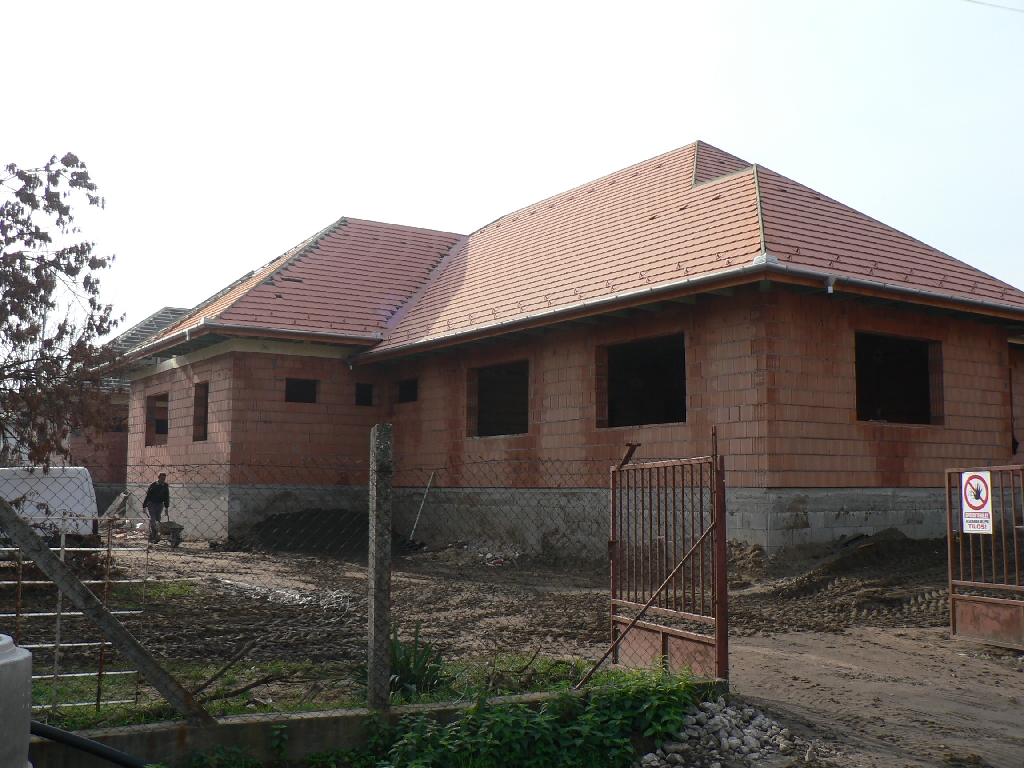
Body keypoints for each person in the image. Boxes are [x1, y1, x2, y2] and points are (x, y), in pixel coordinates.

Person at [143, 473, 170, 543]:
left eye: (164, 479)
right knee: (153, 519)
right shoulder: (153, 485)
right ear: (158, 478)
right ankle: (154, 535)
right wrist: (144, 506)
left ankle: (156, 534)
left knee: (158, 519)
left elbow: (167, 497)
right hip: (152, 504)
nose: (163, 480)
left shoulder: (165, 486)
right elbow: (148, 496)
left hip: (160, 504)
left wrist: (166, 507)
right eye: (162, 479)